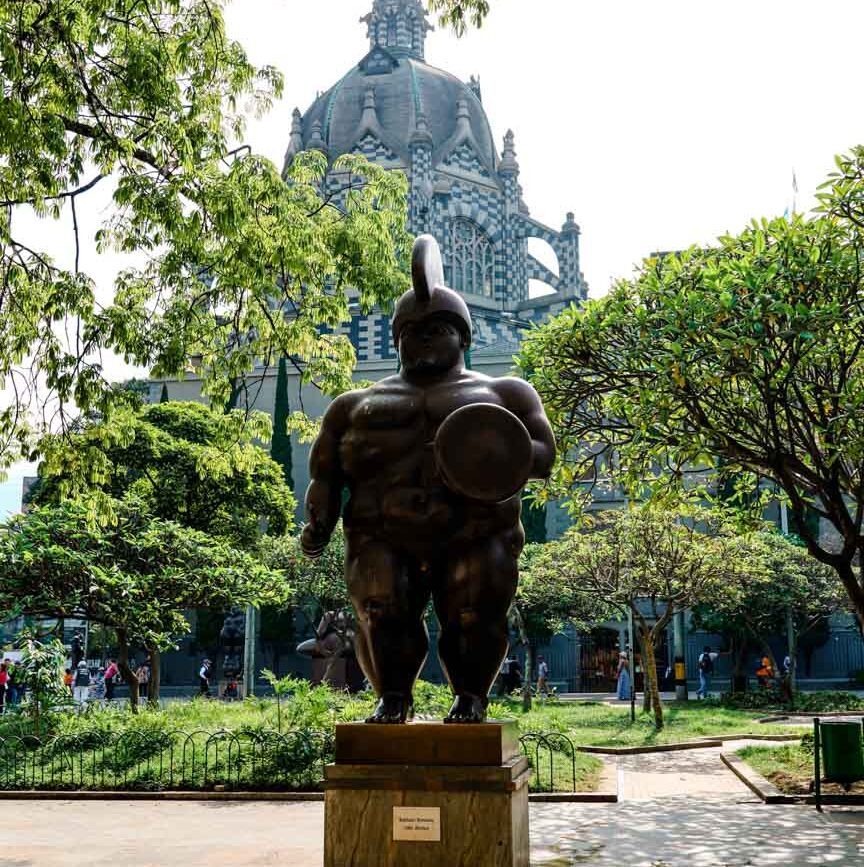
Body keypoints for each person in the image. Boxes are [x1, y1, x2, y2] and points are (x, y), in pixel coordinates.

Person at [301, 235, 556, 724]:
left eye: (437, 328)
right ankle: (392, 696)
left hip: (474, 532)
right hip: (382, 534)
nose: (423, 338)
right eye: (411, 330)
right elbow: (325, 473)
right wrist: (318, 525)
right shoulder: (354, 405)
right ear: (395, 338)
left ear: (464, 336)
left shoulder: (506, 392)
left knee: (474, 615)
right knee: (380, 611)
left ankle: (471, 698)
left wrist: (483, 451)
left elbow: (542, 454)